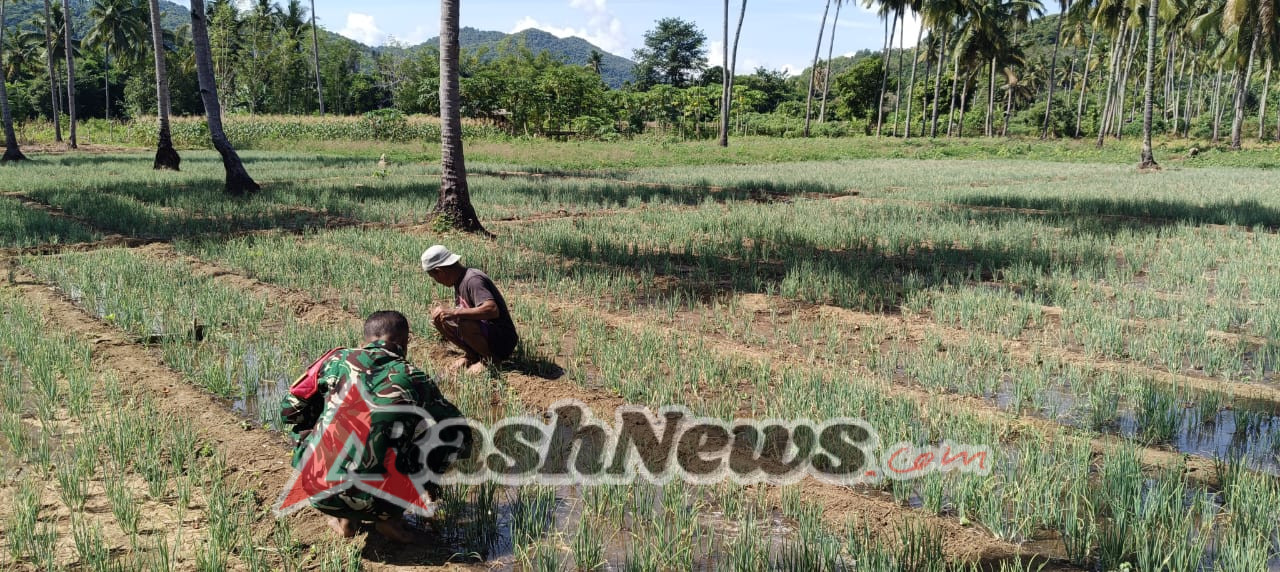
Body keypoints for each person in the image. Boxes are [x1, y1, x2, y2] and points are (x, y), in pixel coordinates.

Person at [279, 311, 467, 542]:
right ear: (404, 343)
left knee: (332, 427)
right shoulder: (415, 377)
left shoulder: (335, 360)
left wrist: (322, 424)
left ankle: (345, 519)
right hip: (383, 502)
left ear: (364, 340)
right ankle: (389, 521)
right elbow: (459, 430)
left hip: (318, 492)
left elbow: (289, 409)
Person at [420, 245, 519, 375]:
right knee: (440, 320)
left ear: (440, 271)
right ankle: (473, 355)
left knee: (464, 322)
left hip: (502, 339)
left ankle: (491, 360)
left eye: (434, 277)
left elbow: (492, 310)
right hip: (487, 333)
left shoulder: (472, 279)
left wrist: (455, 312)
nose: (436, 281)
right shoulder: (458, 281)